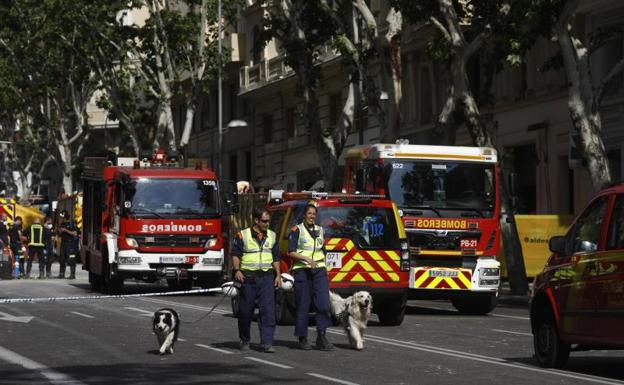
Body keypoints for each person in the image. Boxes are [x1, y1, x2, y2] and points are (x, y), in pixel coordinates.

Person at [231, 208, 281, 353]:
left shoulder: (272, 235)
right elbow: (235, 254)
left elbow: (276, 257)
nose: (267, 224)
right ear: (256, 220)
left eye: (268, 221)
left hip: (266, 278)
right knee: (245, 312)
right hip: (248, 278)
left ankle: (266, 343)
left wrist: (278, 275)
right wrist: (237, 270)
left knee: (268, 312)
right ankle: (245, 340)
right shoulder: (242, 235)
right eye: (264, 221)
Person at [288, 204, 333, 351]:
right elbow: (291, 252)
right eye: (309, 213)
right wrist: (306, 259)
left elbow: (323, 251)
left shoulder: (320, 230)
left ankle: (321, 336)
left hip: (319, 270)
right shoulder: (297, 230)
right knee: (303, 305)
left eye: (314, 214)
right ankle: (302, 337)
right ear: (304, 215)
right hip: (302, 270)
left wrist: (324, 266)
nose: (312, 216)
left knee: (324, 304)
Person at [57, 210, 79, 279]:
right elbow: (59, 234)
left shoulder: (72, 224)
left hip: (70, 244)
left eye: (62, 217)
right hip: (63, 244)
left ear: (65, 217)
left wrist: (66, 230)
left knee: (71, 259)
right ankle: (61, 274)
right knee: (62, 259)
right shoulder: (62, 224)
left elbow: (75, 233)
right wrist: (59, 231)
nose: (61, 219)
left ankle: (72, 275)